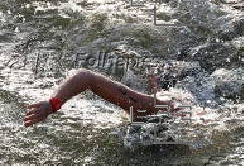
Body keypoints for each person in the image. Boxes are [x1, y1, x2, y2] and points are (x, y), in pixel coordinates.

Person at [23, 71, 175, 127]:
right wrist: (53, 104)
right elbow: (85, 77)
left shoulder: (153, 106)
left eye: (153, 80)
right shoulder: (144, 105)